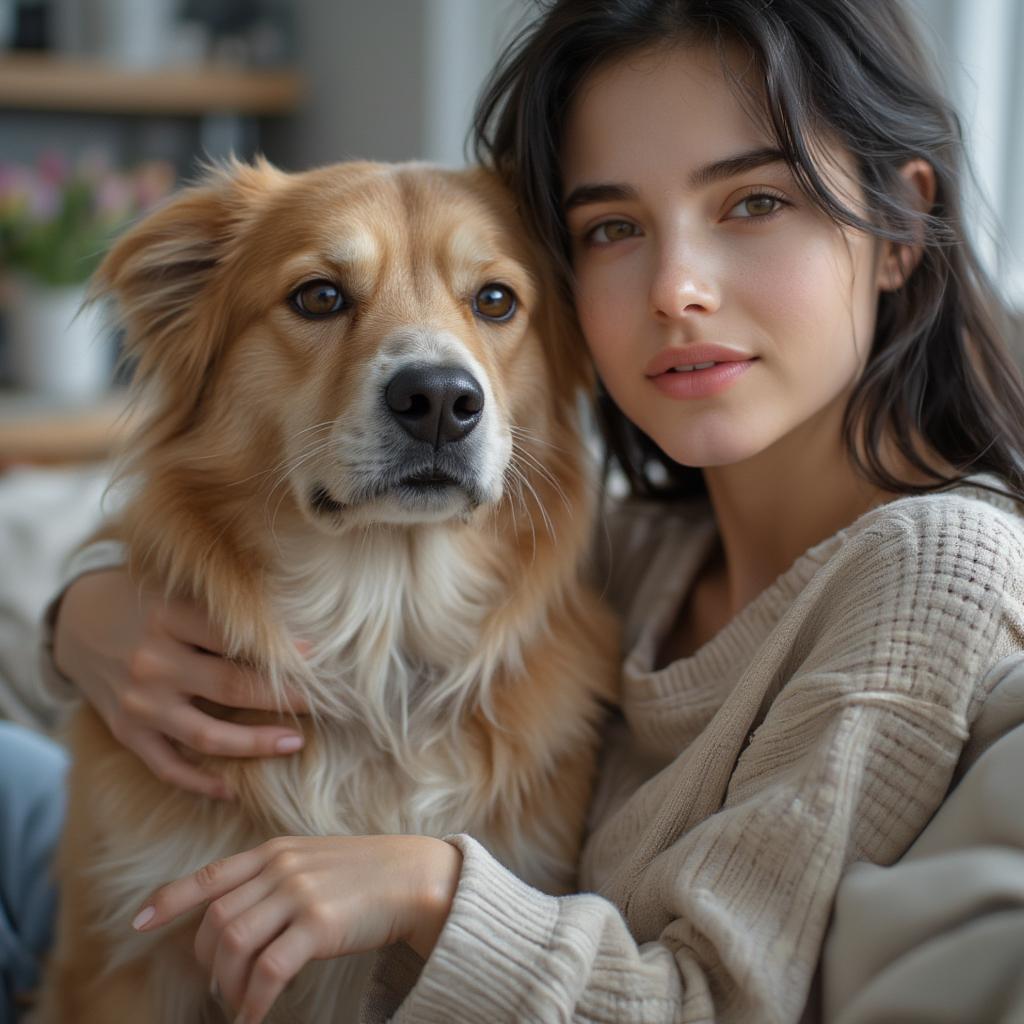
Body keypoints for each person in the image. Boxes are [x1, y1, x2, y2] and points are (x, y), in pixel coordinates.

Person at [16, 0, 1024, 1021]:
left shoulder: (932, 568)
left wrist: (428, 887)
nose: (676, 287)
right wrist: (88, 613)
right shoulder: (635, 550)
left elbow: (719, 1000)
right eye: (614, 227)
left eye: (754, 202)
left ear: (898, 227)